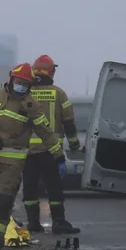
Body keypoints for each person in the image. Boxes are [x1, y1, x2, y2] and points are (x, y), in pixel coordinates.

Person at [0, 62, 64, 250]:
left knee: (4, 199)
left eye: (25, 84)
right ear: (11, 79)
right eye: (19, 82)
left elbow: (45, 131)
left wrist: (58, 155)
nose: (21, 86)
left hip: (13, 162)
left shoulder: (31, 105)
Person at [22, 54, 81, 235]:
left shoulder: (26, 93)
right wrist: (74, 145)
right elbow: (68, 122)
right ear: (51, 72)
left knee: (30, 188)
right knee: (54, 188)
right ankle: (59, 222)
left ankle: (33, 223)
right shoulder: (59, 93)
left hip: (28, 153)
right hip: (51, 151)